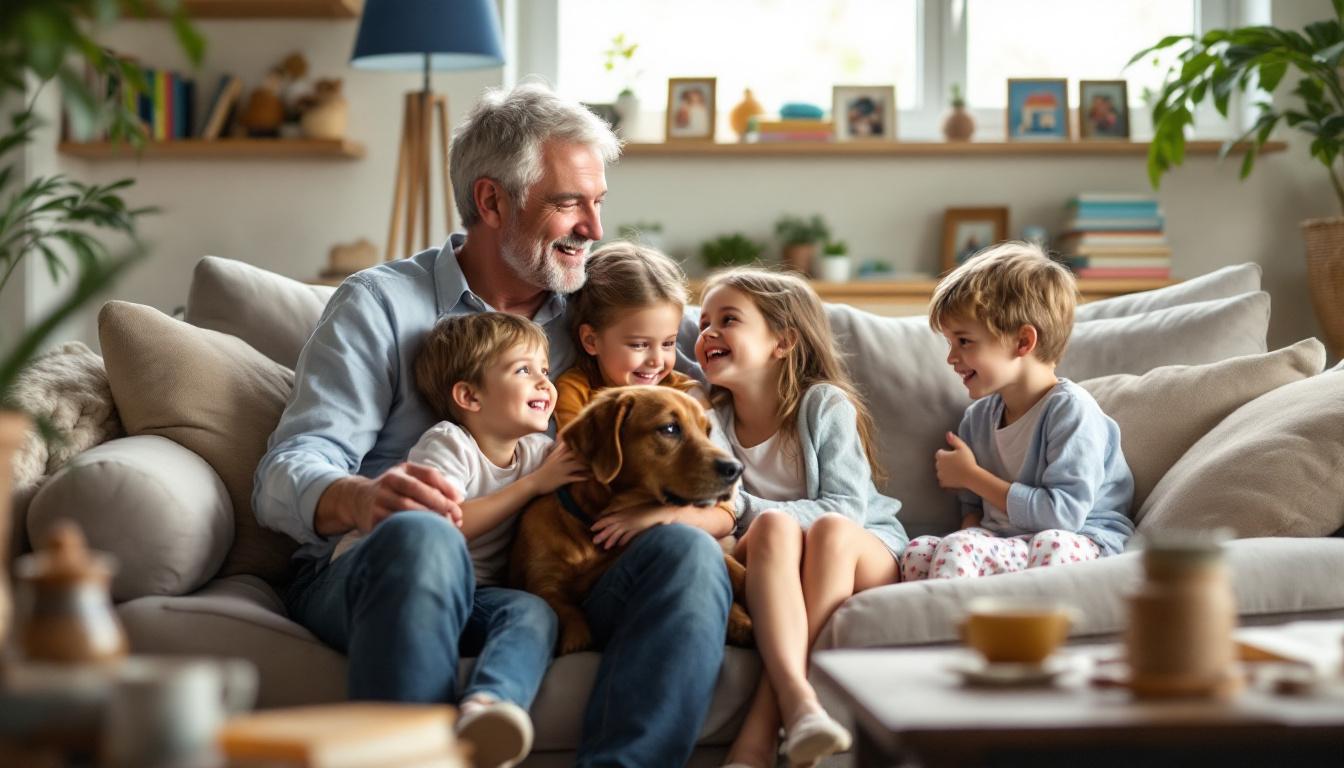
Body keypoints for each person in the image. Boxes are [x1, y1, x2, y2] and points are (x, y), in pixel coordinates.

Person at [253, 83, 732, 767]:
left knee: (686, 553)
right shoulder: (382, 305)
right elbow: (286, 467)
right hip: (382, 567)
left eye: (598, 204)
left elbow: (739, 369)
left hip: (549, 581)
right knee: (420, 537)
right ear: (491, 201)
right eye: (569, 204)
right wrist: (361, 497)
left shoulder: (604, 312)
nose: (593, 230)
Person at [329, 312, 581, 766]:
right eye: (524, 370)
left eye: (545, 370)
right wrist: (530, 486)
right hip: (390, 577)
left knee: (533, 612)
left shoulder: (540, 453)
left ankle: (489, 706)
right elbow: (439, 523)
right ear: (469, 396)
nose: (544, 383)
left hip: (473, 596)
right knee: (426, 535)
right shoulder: (449, 443)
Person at [696, 268, 907, 768]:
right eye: (703, 323)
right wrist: (750, 516)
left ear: (783, 342)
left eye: (729, 319)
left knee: (825, 527)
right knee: (774, 527)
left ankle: (765, 725)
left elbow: (845, 508)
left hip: (858, 550)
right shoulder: (706, 416)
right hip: (768, 559)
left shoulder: (823, 404)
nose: (707, 333)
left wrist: (746, 509)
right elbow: (717, 512)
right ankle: (802, 708)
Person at [901, 242, 1135, 582]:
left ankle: (965, 631)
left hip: (1081, 541)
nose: (951, 357)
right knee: (919, 551)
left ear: (1023, 342)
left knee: (1050, 544)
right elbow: (973, 510)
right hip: (1005, 545)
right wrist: (968, 536)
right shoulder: (977, 419)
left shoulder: (1071, 411)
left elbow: (1063, 516)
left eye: (964, 341)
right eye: (950, 343)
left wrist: (971, 476)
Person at [554, 241, 732, 550]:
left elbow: (726, 505)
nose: (656, 360)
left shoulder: (687, 393)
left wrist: (659, 513)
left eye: (668, 344)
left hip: (678, 524)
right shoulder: (575, 389)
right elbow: (578, 465)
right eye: (639, 345)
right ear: (591, 340)